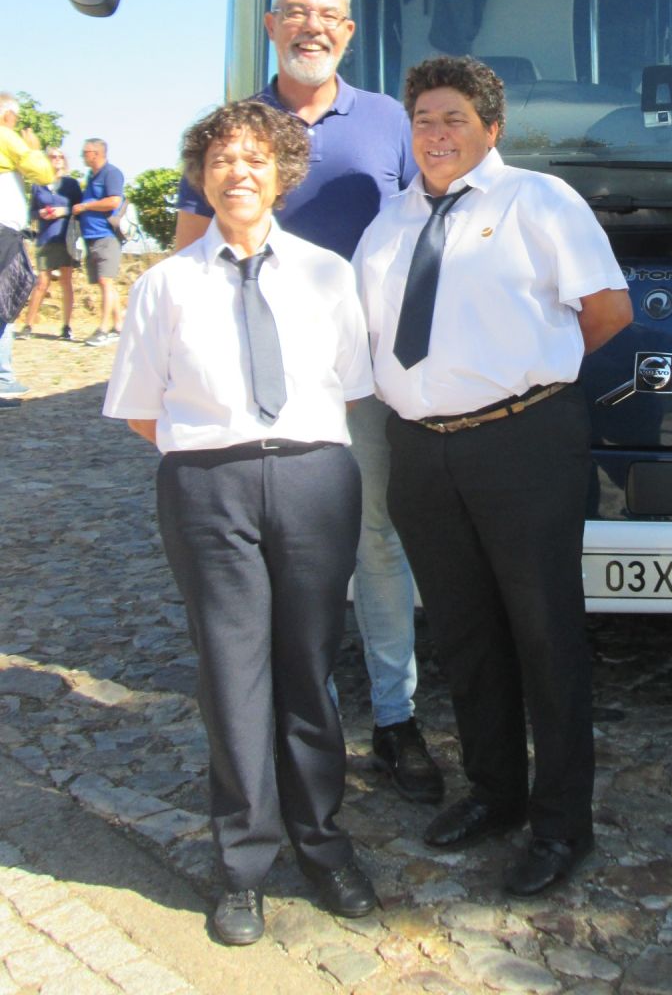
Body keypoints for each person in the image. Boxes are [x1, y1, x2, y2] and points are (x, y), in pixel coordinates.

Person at [354, 55, 632, 896]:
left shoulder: (540, 201)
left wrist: (527, 375)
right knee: (466, 636)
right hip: (421, 451)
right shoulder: (388, 224)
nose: (437, 136)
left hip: (523, 442)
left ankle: (561, 826)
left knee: (545, 637)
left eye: (454, 120)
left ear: (491, 129)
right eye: (425, 121)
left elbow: (607, 310)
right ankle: (495, 795)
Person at [104, 101, 379, 945]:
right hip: (207, 484)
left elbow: (350, 384)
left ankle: (323, 844)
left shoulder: (330, 275)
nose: (239, 172)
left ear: (283, 175)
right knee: (232, 672)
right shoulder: (165, 284)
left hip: (311, 478)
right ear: (202, 175)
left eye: (256, 158)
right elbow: (144, 411)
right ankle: (242, 866)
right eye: (222, 159)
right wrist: (218, 450)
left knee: (309, 664)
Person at [173, 0, 440, 805]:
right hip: (257, 383)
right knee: (290, 560)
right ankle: (310, 724)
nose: (311, 27)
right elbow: (188, 252)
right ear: (270, 24)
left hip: (362, 378)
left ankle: (396, 719)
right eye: (296, 13)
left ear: (350, 34)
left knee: (375, 544)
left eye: (328, 16)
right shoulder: (233, 128)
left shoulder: (392, 122)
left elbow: (426, 230)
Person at [0, 92, 53, 405]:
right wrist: (33, 149)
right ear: (7, 115)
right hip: (3, 231)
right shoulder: (5, 135)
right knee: (8, 297)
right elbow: (43, 172)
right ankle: (2, 379)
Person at [20, 148, 84, 339]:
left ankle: (66, 326)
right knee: (41, 282)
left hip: (65, 238)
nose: (57, 159)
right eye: (53, 157)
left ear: (65, 161)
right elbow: (30, 212)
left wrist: (63, 211)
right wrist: (39, 214)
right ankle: (28, 325)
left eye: (60, 156)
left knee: (66, 281)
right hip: (45, 238)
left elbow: (79, 208)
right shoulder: (38, 184)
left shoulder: (71, 184)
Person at [73, 138, 126, 346]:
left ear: (96, 153)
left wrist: (85, 207)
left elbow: (114, 200)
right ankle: (119, 325)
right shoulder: (91, 175)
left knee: (106, 281)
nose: (83, 156)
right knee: (105, 283)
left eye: (85, 152)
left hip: (106, 235)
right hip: (91, 236)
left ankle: (103, 329)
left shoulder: (111, 173)